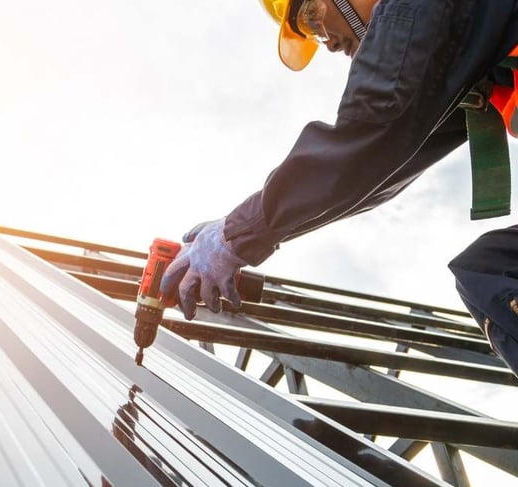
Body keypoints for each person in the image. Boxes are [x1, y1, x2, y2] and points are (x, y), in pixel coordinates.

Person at [159, 0, 518, 376]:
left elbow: (367, 135)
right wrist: (242, 233)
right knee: (489, 272)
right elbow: (376, 171)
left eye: (311, 17)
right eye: (312, 32)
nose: (327, 42)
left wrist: (235, 235)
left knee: (493, 274)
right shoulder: (460, 39)